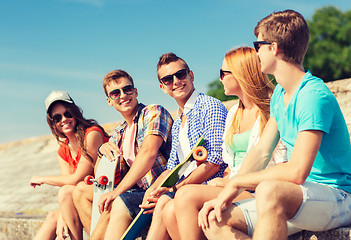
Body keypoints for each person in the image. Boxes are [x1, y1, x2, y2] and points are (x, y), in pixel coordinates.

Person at [198, 9, 351, 240]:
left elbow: (297, 171)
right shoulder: (280, 93)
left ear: (274, 47)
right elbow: (261, 151)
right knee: (214, 219)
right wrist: (230, 189)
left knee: (269, 189)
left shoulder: (312, 95)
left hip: (337, 196)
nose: (255, 52)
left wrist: (237, 181)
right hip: (300, 196)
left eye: (258, 45)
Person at [103, 52, 228, 240]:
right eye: (168, 79)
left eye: (180, 74)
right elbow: (171, 169)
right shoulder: (179, 121)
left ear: (191, 75)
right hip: (185, 189)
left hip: (208, 186)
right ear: (162, 87)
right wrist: (152, 190)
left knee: (163, 204)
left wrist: (173, 189)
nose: (176, 81)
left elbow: (214, 163)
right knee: (155, 202)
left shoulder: (209, 106)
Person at [167, 46, 287, 240]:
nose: (220, 78)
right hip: (234, 186)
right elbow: (229, 164)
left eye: (223, 73)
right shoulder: (233, 114)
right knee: (169, 210)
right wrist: (226, 180)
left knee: (185, 195)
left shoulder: (270, 110)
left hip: (257, 190)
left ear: (241, 73)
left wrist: (230, 183)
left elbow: (280, 165)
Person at [72, 69, 173, 240]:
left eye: (127, 89)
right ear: (109, 100)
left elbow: (148, 153)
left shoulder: (154, 112)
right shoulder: (119, 132)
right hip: (136, 192)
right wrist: (102, 151)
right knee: (79, 191)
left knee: (117, 200)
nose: (123, 95)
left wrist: (117, 192)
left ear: (135, 92)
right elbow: (102, 177)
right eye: (115, 93)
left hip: (160, 187)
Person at [30, 90, 110, 240]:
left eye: (67, 113)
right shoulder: (63, 150)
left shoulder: (92, 134)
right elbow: (67, 187)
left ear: (75, 113)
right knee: (54, 217)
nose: (64, 120)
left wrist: (42, 179)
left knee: (66, 193)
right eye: (57, 117)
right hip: (81, 198)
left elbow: (76, 179)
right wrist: (63, 215)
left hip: (104, 194)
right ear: (52, 123)